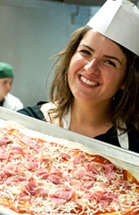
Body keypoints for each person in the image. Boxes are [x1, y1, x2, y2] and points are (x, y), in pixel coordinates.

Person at [17, 0, 139, 153]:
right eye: (86, 52)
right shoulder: (25, 124)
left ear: (126, 80)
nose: (90, 68)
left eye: (109, 62)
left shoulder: (135, 145)